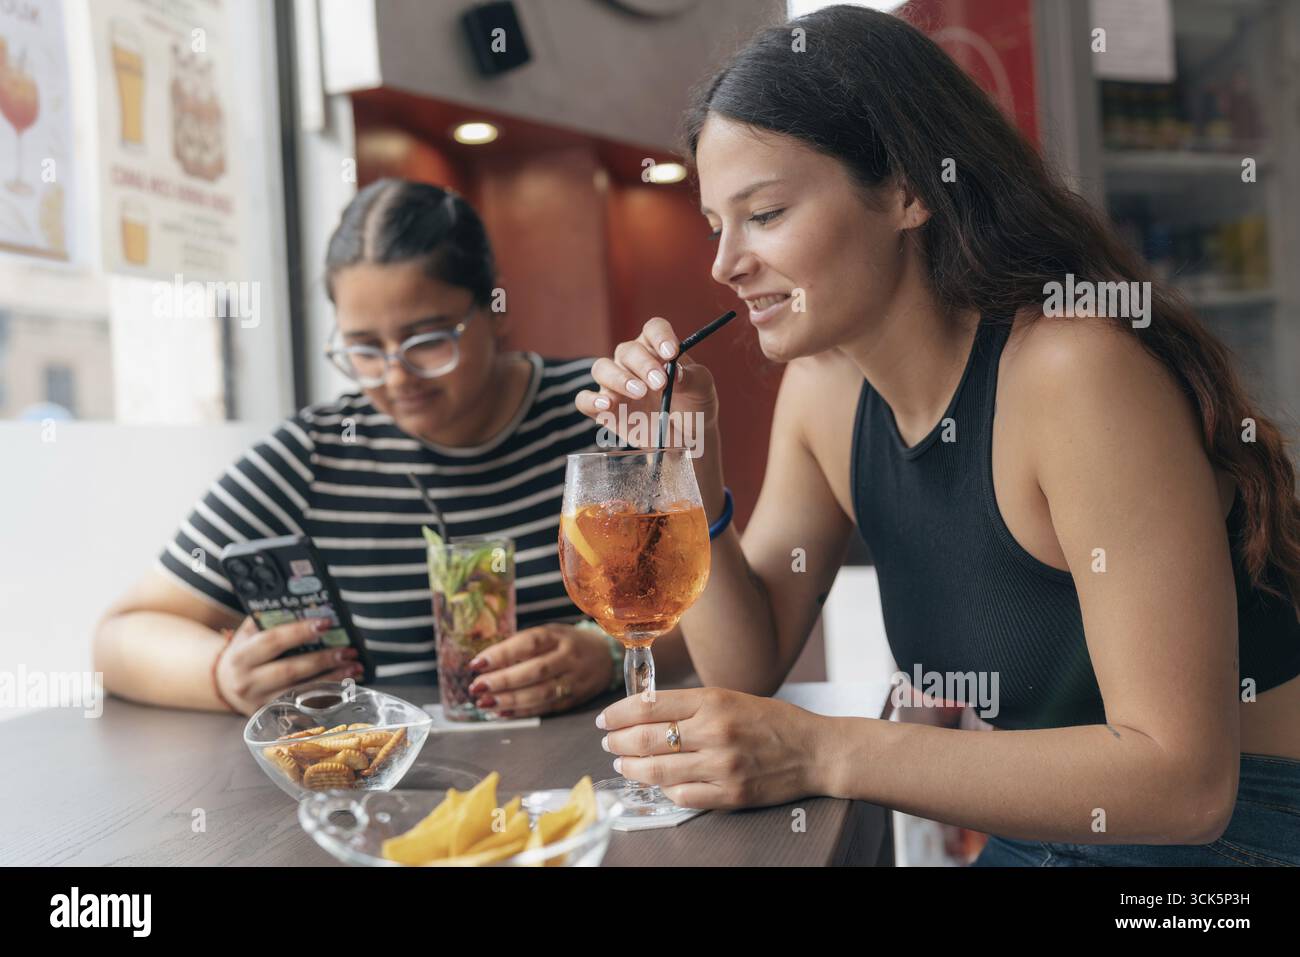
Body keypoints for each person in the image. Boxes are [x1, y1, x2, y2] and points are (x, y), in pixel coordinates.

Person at [577, 5, 1300, 865]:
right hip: (1047, 839)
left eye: (764, 214)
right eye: (714, 226)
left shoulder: (1074, 372)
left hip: (1239, 839)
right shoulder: (826, 390)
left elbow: (1184, 784)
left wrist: (824, 748)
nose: (723, 263)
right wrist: (684, 467)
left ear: (909, 190)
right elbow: (743, 664)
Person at [94, 179, 693, 717]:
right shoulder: (316, 456)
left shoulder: (602, 416)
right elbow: (119, 639)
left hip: (597, 782)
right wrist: (221, 678)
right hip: (399, 793)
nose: (397, 377)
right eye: (364, 349)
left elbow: (709, 609)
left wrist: (605, 651)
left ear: (495, 310)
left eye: (427, 341)